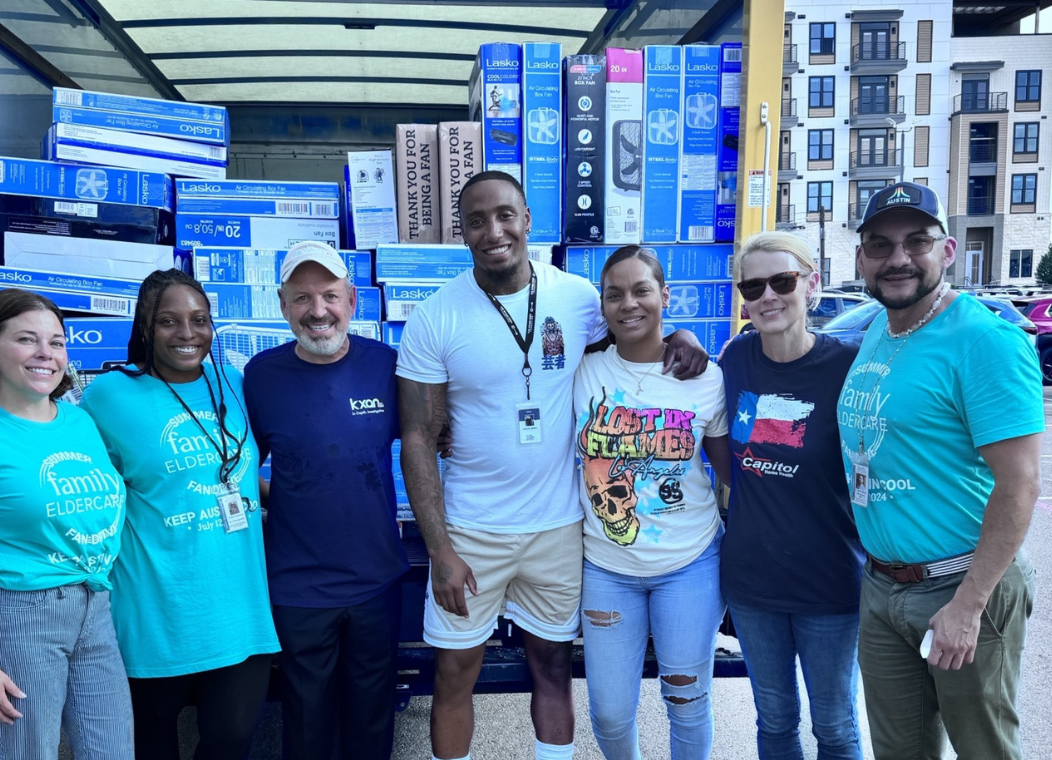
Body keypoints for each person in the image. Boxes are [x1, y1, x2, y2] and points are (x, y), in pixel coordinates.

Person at [396, 171, 706, 760]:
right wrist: (440, 550)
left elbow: (633, 333)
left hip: (559, 526)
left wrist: (683, 333)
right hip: (471, 529)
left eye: (505, 215)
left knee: (553, 669)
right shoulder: (436, 316)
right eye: (478, 220)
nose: (494, 231)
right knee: (455, 674)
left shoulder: (579, 298)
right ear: (461, 231)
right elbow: (416, 437)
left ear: (528, 219)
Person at [837, 181, 1043, 759]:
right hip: (882, 586)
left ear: (947, 250)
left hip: (959, 584)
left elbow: (1021, 482)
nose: (897, 258)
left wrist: (970, 604)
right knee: (899, 752)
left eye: (916, 242)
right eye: (879, 245)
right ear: (861, 259)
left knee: (984, 750)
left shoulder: (986, 341)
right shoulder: (882, 327)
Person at [0, 289, 132, 759]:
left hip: (93, 605)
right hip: (18, 613)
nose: (45, 355)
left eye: (56, 342)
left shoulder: (79, 422)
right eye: (27, 340)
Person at [79, 269, 279, 760]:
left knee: (230, 742)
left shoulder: (233, 383)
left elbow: (231, 471)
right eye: (168, 321)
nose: (187, 333)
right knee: (151, 748)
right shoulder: (107, 397)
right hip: (155, 612)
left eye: (199, 319)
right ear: (144, 326)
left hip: (240, 610)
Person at [243, 241, 409, 760]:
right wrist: (291, 495)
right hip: (297, 588)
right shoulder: (260, 376)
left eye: (330, 296)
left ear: (353, 300)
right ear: (282, 304)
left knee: (371, 721)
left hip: (376, 581)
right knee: (306, 725)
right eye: (302, 298)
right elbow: (241, 472)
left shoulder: (387, 365)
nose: (318, 311)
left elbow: (433, 442)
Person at [574, 246, 730, 760]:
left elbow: (728, 473)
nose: (628, 304)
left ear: (665, 295)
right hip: (606, 567)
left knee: (686, 700)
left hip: (690, 564)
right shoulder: (582, 369)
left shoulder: (705, 377)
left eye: (642, 290)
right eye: (614, 294)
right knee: (610, 712)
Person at [720, 232, 865, 759]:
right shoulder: (735, 358)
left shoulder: (849, 367)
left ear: (813, 285)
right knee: (775, 721)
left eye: (782, 281)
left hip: (829, 584)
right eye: (753, 286)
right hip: (753, 582)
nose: (767, 296)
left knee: (836, 725)